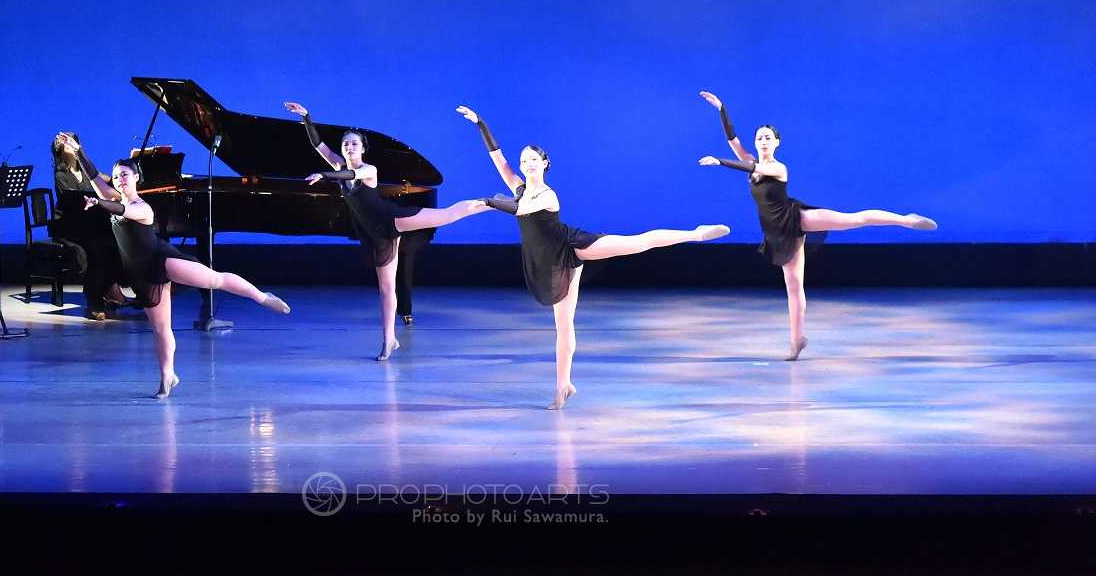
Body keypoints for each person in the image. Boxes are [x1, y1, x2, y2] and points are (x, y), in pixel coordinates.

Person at [457, 105, 729, 409]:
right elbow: (498, 158)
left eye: (533, 159)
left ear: (545, 164)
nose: (527, 163)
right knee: (563, 325)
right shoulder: (519, 189)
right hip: (549, 260)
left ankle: (695, 233)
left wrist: (488, 201)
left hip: (571, 245)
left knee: (637, 243)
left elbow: (520, 210)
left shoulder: (547, 195)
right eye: (524, 160)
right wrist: (480, 123)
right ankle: (564, 385)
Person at [696, 90, 937, 361]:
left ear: (777, 143)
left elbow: (752, 169)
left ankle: (906, 219)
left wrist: (720, 161)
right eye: (759, 137)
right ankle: (797, 340)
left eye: (768, 137)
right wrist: (721, 109)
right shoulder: (750, 160)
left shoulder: (778, 168)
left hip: (795, 217)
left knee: (853, 219)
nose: (763, 141)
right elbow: (733, 140)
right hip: (776, 232)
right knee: (793, 286)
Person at [60, 137, 290, 398]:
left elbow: (121, 209)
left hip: (162, 260)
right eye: (115, 176)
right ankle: (168, 376)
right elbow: (94, 178)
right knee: (161, 329)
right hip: (141, 273)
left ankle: (262, 297)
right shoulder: (112, 196)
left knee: (216, 280)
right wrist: (79, 151)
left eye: (124, 174)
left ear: (136, 177)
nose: (119, 179)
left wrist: (98, 203)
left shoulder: (142, 207)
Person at [283, 102, 492, 361]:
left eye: (354, 144)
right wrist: (306, 117)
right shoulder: (338, 166)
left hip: (391, 219)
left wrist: (325, 176)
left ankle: (490, 203)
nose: (349, 147)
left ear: (363, 149)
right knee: (386, 290)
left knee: (447, 215)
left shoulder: (368, 170)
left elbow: (351, 174)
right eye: (345, 144)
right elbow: (318, 146)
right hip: (374, 234)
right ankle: (389, 340)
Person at [50, 132, 123, 320]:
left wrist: (116, 180)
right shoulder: (60, 175)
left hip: (89, 223)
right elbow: (72, 203)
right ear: (60, 151)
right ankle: (94, 301)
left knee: (112, 244)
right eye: (67, 144)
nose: (72, 146)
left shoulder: (85, 171)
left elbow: (103, 181)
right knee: (94, 250)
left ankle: (109, 289)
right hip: (69, 225)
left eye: (74, 143)